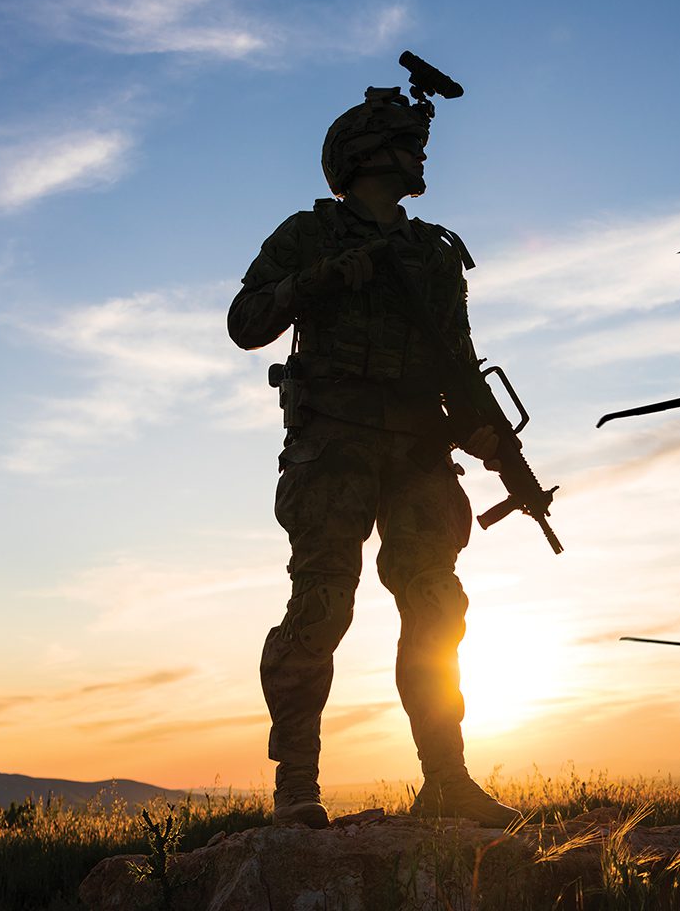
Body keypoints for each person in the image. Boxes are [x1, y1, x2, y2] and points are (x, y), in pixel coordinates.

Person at [227, 85, 519, 829]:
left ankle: (446, 780)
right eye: (401, 140)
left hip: (420, 450)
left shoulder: (432, 253)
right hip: (335, 445)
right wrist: (318, 280)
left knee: (436, 607)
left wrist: (485, 435)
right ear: (361, 155)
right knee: (323, 605)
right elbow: (245, 321)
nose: (418, 152)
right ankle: (296, 786)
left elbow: (458, 357)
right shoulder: (308, 234)